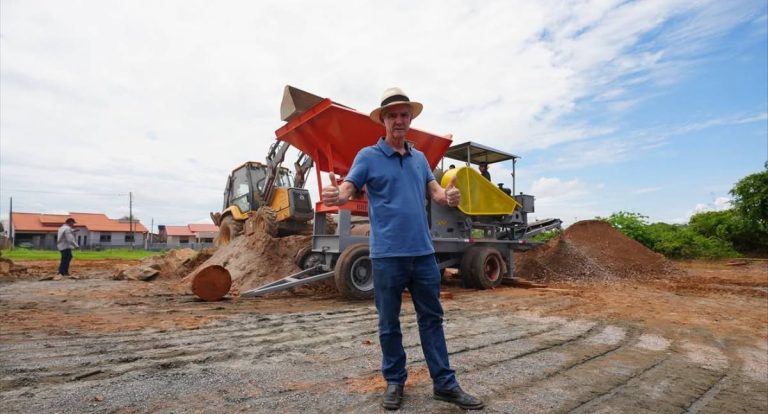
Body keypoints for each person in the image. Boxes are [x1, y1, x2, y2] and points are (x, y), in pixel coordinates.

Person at [321, 87, 484, 411]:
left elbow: (436, 193)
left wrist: (449, 197)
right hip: (386, 256)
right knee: (388, 323)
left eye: (404, 115)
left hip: (422, 254)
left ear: (410, 119)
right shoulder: (368, 156)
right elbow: (349, 187)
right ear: (383, 120)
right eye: (392, 115)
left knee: (432, 319)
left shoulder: (420, 159)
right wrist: (338, 195)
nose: (399, 120)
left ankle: (445, 385)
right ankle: (395, 381)